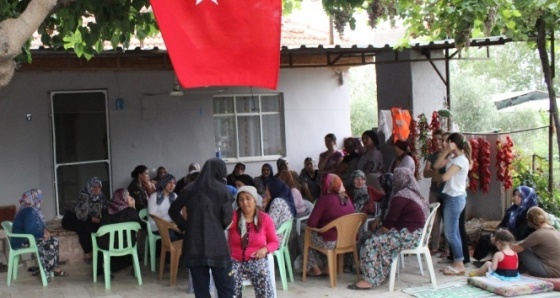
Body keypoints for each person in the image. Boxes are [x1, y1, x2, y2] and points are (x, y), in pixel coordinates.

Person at [348, 167, 428, 290]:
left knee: (372, 243)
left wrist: (378, 233)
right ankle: (381, 273)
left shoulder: (401, 197)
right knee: (377, 239)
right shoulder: (412, 193)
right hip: (416, 234)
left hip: (408, 236)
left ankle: (370, 279)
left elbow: (388, 224)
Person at [168, 158, 235, 297]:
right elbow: (226, 218)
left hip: (193, 244)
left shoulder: (189, 188)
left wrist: (186, 226)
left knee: (201, 290)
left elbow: (173, 210)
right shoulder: (222, 190)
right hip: (217, 245)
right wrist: (218, 226)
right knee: (225, 288)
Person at [228, 186, 278, 297]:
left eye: (248, 198)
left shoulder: (265, 219)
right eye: (241, 199)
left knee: (263, 277)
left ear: (255, 200)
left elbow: (274, 242)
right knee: (230, 280)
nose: (245, 202)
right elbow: (223, 226)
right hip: (235, 260)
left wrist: (265, 249)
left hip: (256, 259)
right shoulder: (233, 217)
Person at [433, 132, 471, 276]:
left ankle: (460, 263)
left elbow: (444, 177)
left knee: (450, 233)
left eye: (447, 142)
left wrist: (438, 176)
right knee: (453, 232)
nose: (444, 144)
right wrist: (447, 152)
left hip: (456, 199)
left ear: (453, 143)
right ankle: (457, 262)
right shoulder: (452, 158)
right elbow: (437, 165)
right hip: (449, 197)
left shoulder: (462, 160)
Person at [472, 186, 537, 266]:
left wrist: (501, 237)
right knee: (485, 238)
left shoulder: (530, 213)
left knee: (501, 242)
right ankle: (479, 260)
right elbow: (502, 225)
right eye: (515, 195)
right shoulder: (512, 210)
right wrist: (496, 234)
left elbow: (521, 232)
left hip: (520, 239)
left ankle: (498, 262)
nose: (515, 197)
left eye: (519, 196)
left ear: (527, 198)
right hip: (506, 235)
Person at [305, 174, 355, 277]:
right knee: (321, 235)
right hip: (347, 239)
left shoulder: (324, 200)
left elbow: (311, 223)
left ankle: (315, 268)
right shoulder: (347, 198)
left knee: (303, 235)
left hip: (331, 242)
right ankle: (328, 267)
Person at [12, 189, 67, 280]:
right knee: (48, 244)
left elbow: (37, 225)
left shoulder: (29, 209)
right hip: (21, 241)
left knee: (54, 240)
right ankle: (45, 271)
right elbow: (30, 230)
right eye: (38, 198)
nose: (40, 200)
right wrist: (42, 234)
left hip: (24, 238)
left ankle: (53, 268)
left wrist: (44, 231)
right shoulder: (30, 211)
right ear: (33, 199)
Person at [61, 177, 107, 264]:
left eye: (99, 187)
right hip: (73, 217)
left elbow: (105, 208)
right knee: (84, 227)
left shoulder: (101, 196)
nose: (97, 189)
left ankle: (100, 252)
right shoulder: (84, 196)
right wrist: (95, 220)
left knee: (99, 227)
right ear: (90, 187)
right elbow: (82, 215)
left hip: (89, 218)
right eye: (94, 187)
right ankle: (87, 252)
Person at [97, 188, 143, 273]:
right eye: (128, 195)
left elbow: (101, 228)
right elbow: (139, 226)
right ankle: (134, 265)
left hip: (108, 245)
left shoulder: (106, 211)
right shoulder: (131, 212)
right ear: (123, 199)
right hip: (127, 244)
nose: (131, 197)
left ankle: (105, 267)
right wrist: (133, 207)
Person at [512, 206, 560, 278]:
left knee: (523, 249)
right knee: (525, 245)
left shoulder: (539, 234)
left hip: (549, 271)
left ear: (530, 222)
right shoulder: (554, 231)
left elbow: (517, 248)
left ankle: (509, 269)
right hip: (556, 270)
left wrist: (500, 244)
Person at [423, 129, 445, 253]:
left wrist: (433, 172)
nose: (437, 142)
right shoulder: (432, 155)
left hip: (446, 191)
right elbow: (425, 173)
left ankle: (447, 248)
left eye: (440, 139)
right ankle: (435, 247)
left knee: (447, 220)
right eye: (435, 139)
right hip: (434, 190)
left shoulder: (449, 155)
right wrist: (435, 172)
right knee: (435, 219)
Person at [148, 174, 181, 240]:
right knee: (172, 235)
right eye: (169, 183)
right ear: (164, 183)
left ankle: (180, 249)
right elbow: (152, 215)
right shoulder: (155, 197)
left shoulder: (174, 196)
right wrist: (167, 224)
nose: (172, 185)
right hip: (157, 225)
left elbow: (179, 211)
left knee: (185, 232)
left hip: (172, 224)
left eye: (174, 183)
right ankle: (171, 249)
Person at [264, 177, 296, 243]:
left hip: (277, 237)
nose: (265, 192)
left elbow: (270, 223)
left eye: (267, 189)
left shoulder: (277, 201)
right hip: (285, 236)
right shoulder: (284, 199)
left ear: (274, 188)